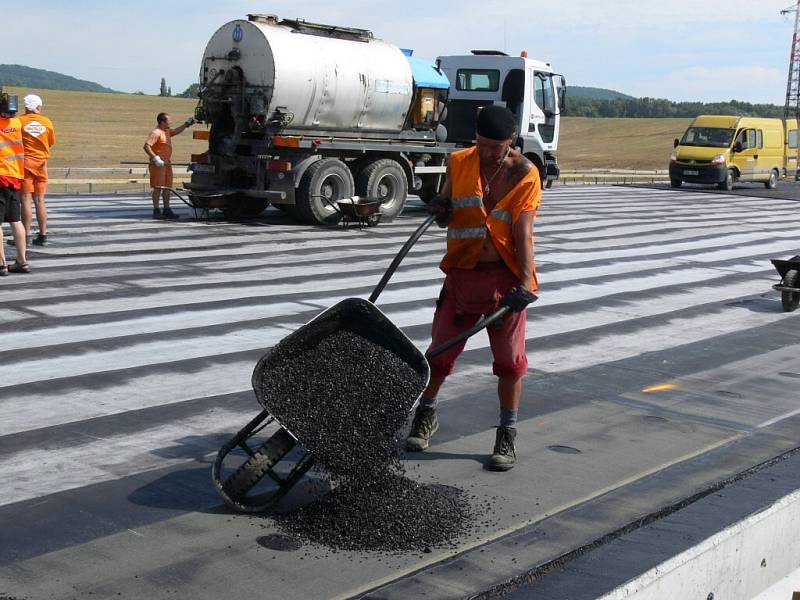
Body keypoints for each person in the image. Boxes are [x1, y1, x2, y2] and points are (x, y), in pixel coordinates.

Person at [405, 105, 540, 471]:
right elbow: (448, 206)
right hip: (463, 275)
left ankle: (506, 434)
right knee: (439, 356)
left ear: (510, 142)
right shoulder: (460, 161)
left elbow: (523, 231)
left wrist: (525, 282)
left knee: (510, 364)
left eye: (494, 147)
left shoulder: (525, 174)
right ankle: (426, 414)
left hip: (504, 282)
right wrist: (440, 208)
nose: (486, 152)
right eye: (481, 144)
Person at [18, 94, 56, 246]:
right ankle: (43, 234)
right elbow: (51, 142)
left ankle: (25, 236)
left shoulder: (19, 121)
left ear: (25, 107)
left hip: (25, 164)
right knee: (40, 200)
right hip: (42, 164)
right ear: (38, 107)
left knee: (25, 200)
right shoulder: (47, 122)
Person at [0, 89, 31, 274]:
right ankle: (22, 260)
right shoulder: (18, 122)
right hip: (15, 177)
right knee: (15, 220)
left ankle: (2, 263)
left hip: (0, 175)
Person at [143, 112, 194, 219]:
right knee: (158, 187)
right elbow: (146, 146)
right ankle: (156, 210)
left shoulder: (166, 132)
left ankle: (167, 209)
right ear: (162, 122)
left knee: (167, 188)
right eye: (169, 120)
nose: (171, 122)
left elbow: (175, 131)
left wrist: (187, 124)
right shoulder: (156, 132)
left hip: (167, 164)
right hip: (158, 164)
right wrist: (155, 158)